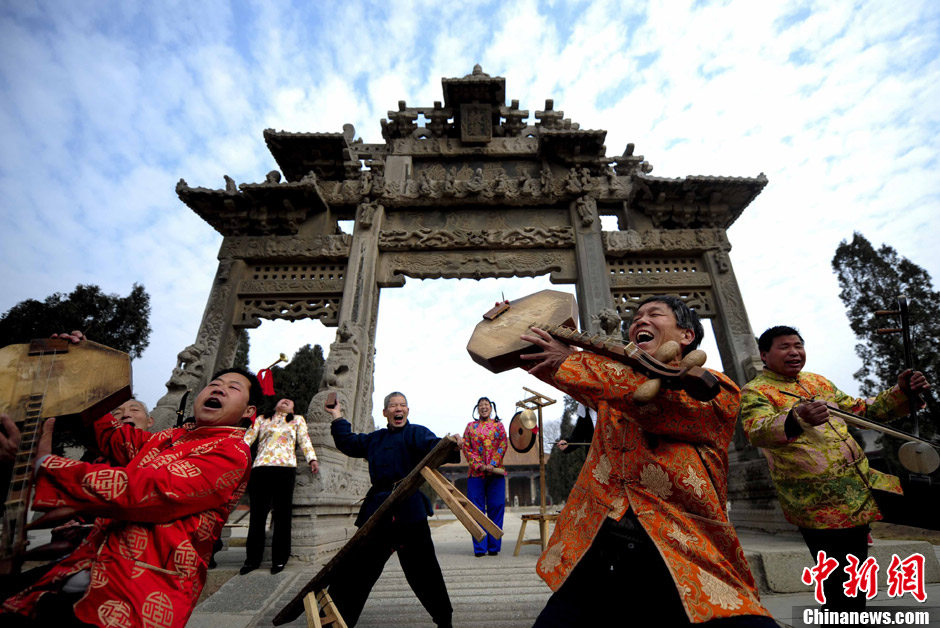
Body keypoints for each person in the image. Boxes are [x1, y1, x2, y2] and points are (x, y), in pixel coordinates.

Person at [519, 296, 774, 626]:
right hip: (599, 542)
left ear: (686, 336)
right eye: (636, 318)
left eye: (654, 314)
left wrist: (573, 361)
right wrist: (517, 319)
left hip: (680, 546)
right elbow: (553, 363)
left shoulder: (716, 389)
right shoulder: (607, 385)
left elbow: (652, 402)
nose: (639, 321)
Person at [2, 344, 260, 628]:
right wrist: (77, 363)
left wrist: (45, 466)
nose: (219, 389)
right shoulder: (165, 438)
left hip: (138, 592)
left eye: (233, 387)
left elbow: (152, 489)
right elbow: (109, 434)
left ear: (249, 411)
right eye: (214, 384)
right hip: (86, 568)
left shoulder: (231, 452)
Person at [739, 325, 930, 611]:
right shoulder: (755, 391)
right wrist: (796, 418)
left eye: (798, 345)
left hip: (857, 490)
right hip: (817, 503)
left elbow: (863, 411)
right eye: (784, 347)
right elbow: (757, 431)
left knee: (852, 581)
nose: (794, 352)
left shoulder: (818, 382)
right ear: (764, 355)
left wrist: (902, 392)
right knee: (838, 584)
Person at [324, 392, 458, 628]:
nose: (399, 409)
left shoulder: (417, 433)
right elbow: (349, 442)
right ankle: (336, 621)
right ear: (385, 413)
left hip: (410, 511)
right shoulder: (375, 439)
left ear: (407, 411)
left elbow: (435, 446)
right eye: (393, 405)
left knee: (424, 571)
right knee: (358, 570)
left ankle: (444, 619)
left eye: (403, 405)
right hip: (378, 512)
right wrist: (337, 416)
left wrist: (451, 444)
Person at [241, 397, 319, 575]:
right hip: (261, 469)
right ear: (275, 405)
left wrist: (312, 459)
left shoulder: (297, 420)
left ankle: (279, 559)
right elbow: (247, 440)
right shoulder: (262, 419)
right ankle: (252, 560)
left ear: (293, 409)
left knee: (283, 515)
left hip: (285, 469)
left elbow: (304, 440)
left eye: (290, 402)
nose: (285, 401)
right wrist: (236, 455)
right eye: (282, 400)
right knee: (257, 517)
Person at [461, 396, 507, 556]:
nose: (484, 407)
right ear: (477, 409)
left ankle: (494, 547)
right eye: (481, 405)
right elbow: (466, 447)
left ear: (491, 408)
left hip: (496, 473)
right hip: (476, 474)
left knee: (496, 507)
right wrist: (479, 464)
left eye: (486, 405)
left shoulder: (499, 426)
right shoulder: (470, 427)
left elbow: (503, 444)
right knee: (476, 510)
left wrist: (492, 464)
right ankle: (480, 548)